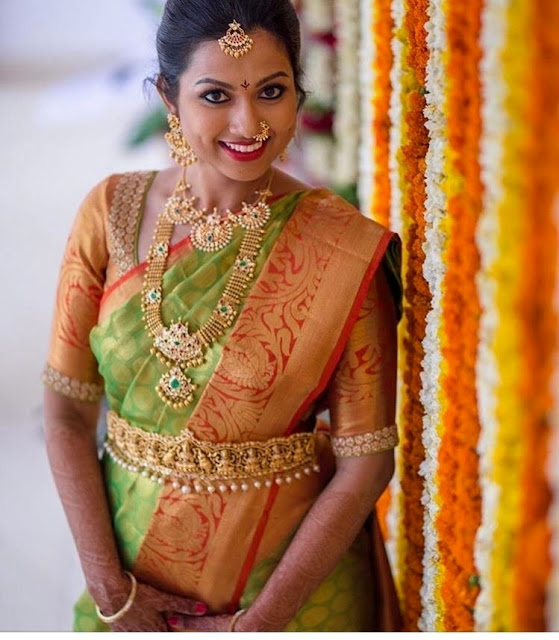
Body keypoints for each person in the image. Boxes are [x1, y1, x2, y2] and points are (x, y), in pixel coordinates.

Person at [42, 0, 404, 632]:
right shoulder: (110, 212)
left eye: (272, 91)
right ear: (167, 97)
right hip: (129, 579)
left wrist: (262, 621)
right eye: (215, 95)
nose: (248, 122)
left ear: (299, 91)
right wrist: (110, 591)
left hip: (291, 594)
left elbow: (366, 459)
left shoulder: (344, 248)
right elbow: (67, 413)